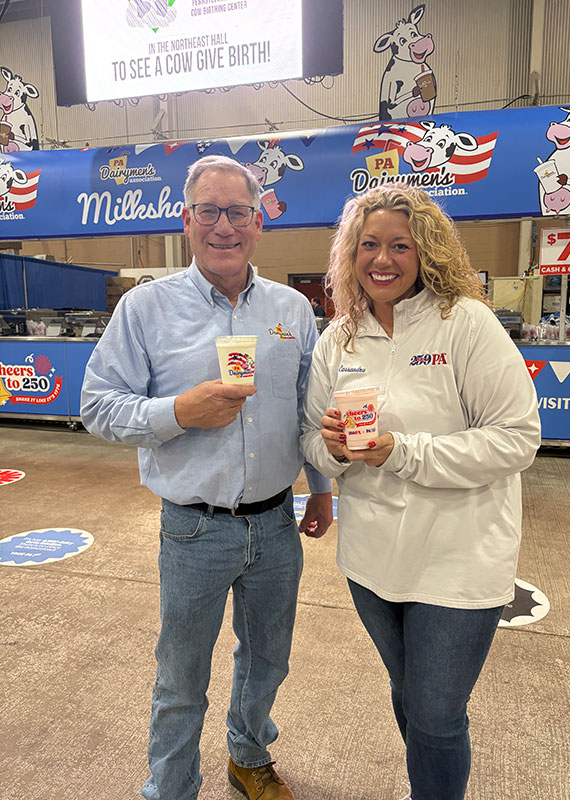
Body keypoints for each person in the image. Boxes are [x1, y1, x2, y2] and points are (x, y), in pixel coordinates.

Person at [81, 154, 333, 800]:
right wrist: (177, 412)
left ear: (259, 221)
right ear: (186, 219)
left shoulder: (291, 310)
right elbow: (97, 407)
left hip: (276, 523)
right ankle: (171, 787)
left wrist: (322, 490)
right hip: (193, 530)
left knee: (268, 659)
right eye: (210, 212)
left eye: (239, 212)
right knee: (181, 676)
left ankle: (248, 755)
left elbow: (306, 408)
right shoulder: (145, 309)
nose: (225, 226)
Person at [300, 185, 540, 800]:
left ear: (425, 251)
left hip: (457, 559)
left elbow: (516, 439)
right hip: (373, 561)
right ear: (351, 254)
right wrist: (329, 448)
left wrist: (402, 452)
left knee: (436, 714)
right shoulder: (339, 339)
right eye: (369, 244)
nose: (383, 259)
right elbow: (310, 438)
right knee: (409, 693)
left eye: (399, 246)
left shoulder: (464, 321)